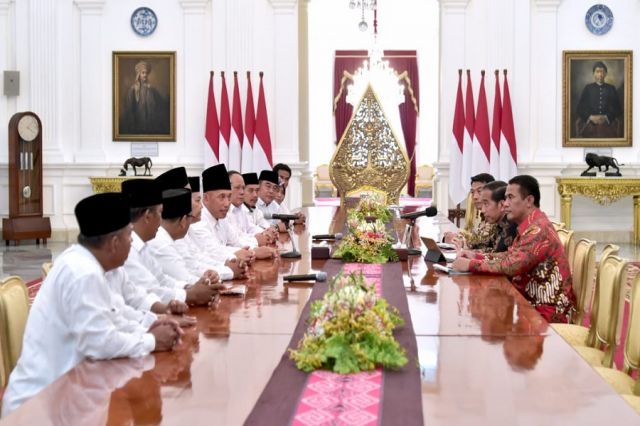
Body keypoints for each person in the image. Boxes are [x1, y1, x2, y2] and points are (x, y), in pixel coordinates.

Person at [1, 193, 181, 416]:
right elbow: (100, 343)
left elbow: (116, 315)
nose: (132, 242)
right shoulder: (83, 273)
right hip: (40, 405)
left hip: (71, 395)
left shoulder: (94, 264)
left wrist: (152, 324)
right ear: (114, 243)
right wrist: (152, 340)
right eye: (129, 235)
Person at [452, 175, 576, 323]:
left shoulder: (538, 229)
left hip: (545, 313)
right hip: (529, 304)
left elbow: (512, 265)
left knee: (491, 320)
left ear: (529, 200)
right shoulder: (530, 225)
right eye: (505, 198)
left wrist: (471, 265)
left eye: (510, 197)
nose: (505, 204)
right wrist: (475, 256)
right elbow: (510, 255)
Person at [121, 179, 220, 306]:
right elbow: (150, 291)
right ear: (147, 216)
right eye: (160, 212)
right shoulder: (128, 250)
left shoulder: (142, 246)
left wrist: (191, 287)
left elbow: (162, 280)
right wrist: (191, 294)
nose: (161, 220)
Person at [228, 170, 278, 252]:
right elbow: (233, 242)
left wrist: (267, 233)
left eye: (243, 188)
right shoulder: (225, 212)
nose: (242, 192)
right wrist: (257, 241)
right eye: (237, 188)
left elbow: (250, 228)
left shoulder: (240, 209)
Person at [444, 173, 495, 249]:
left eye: (479, 191)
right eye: (472, 192)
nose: (475, 197)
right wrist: (457, 236)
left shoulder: (494, 215)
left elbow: (482, 245)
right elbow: (476, 238)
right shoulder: (483, 215)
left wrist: (456, 239)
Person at [575, 61, 623, 138]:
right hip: (590, 125)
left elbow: (618, 109)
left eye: (602, 72)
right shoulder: (588, 88)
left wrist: (606, 117)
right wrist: (590, 117)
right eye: (597, 72)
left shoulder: (611, 88)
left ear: (606, 74)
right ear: (593, 73)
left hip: (608, 125)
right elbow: (579, 109)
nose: (600, 74)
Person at [120, 60, 169, 135]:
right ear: (139, 74)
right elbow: (129, 109)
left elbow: (159, 106)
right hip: (137, 126)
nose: (145, 75)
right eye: (143, 73)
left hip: (150, 126)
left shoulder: (151, 90)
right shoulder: (133, 90)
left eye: (146, 73)